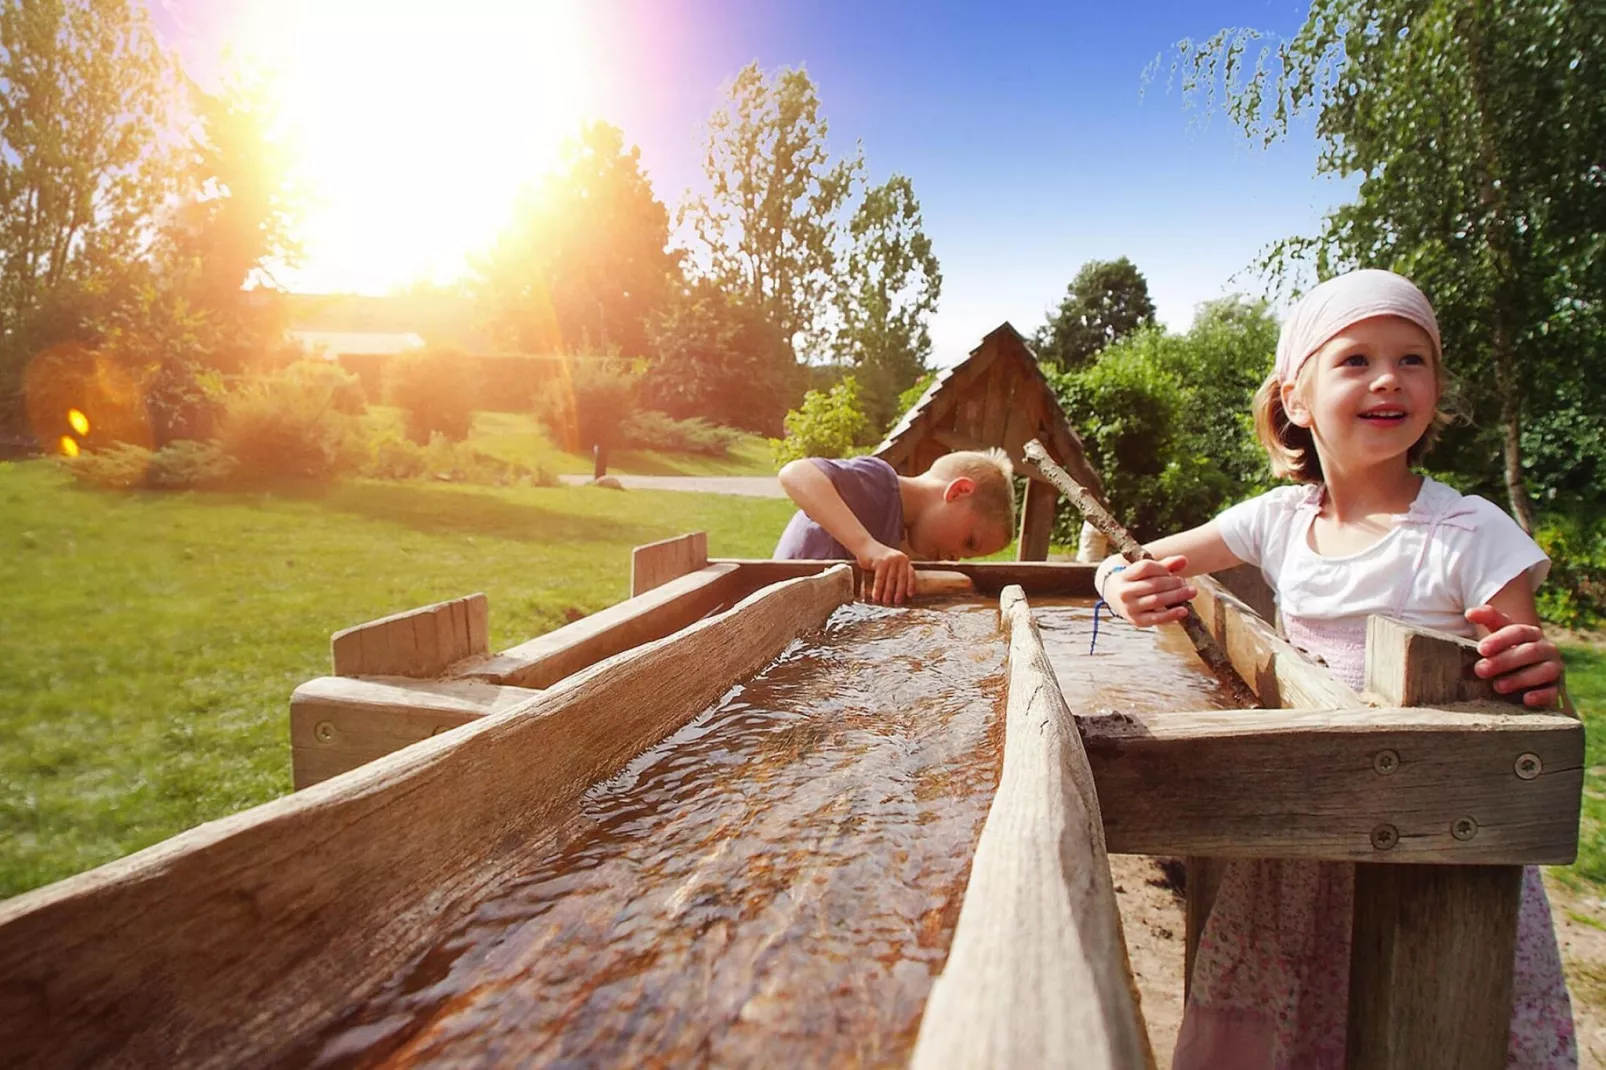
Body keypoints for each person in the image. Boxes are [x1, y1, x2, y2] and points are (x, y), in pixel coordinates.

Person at [1096, 269, 1575, 1068]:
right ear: (1295, 399)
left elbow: (1534, 706)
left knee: (1423, 1024)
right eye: (1356, 360)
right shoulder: (1280, 519)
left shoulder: (1469, 533)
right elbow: (1139, 563)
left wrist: (1534, 673)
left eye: (1413, 360)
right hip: (1305, 834)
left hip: (1437, 849)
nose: (1389, 377)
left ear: (1434, 389)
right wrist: (1121, 585)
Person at [773, 449, 1016, 604]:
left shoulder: (896, 533)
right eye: (969, 542)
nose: (955, 557)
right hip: (777, 601)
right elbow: (795, 473)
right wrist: (866, 547)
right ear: (958, 491)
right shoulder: (880, 485)